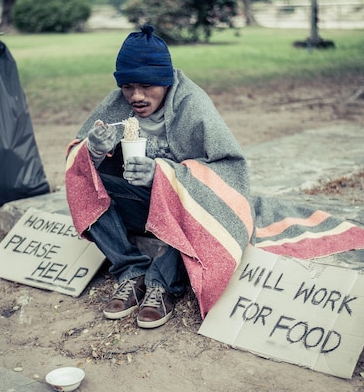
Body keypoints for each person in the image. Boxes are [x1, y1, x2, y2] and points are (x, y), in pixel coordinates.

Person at [65, 25, 253, 329]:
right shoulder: (118, 104)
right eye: (128, 86)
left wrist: (163, 174)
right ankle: (130, 269)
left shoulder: (192, 104)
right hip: (141, 205)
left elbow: (230, 170)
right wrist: (94, 151)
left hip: (184, 209)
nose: (136, 96)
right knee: (82, 177)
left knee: (190, 202)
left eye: (147, 86)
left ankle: (162, 284)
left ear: (165, 81)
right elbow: (81, 161)